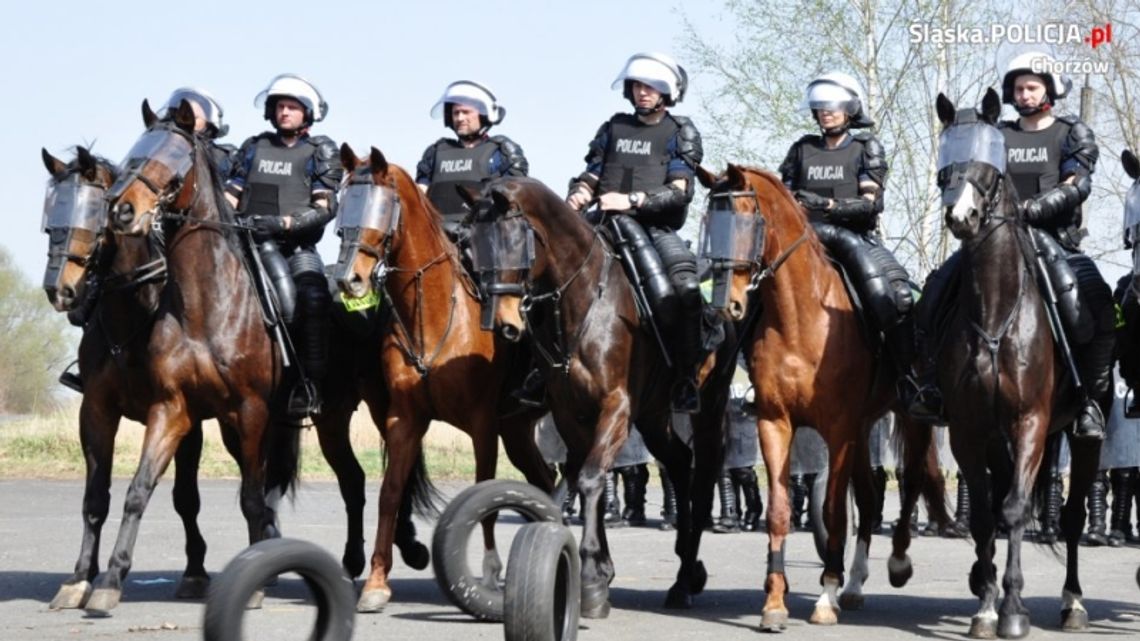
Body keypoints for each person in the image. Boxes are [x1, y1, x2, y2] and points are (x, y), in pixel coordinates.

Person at [779, 72, 936, 421]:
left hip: (855, 238)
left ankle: (909, 380)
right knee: (758, 290)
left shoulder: (865, 148)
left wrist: (829, 206)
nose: (825, 113)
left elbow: (871, 204)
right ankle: (755, 381)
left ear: (850, 108)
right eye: (819, 106)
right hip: (804, 242)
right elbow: (783, 197)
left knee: (897, 297)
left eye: (832, 106)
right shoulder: (801, 149)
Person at [58, 86, 238, 392]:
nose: (181, 115)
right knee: (114, 266)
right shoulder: (154, 150)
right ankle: (94, 357)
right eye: (179, 109)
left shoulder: (227, 155)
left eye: (192, 113)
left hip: (202, 242)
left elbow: (229, 200)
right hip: (155, 232)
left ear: (210, 123)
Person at [565, 52, 704, 412]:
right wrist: (579, 195)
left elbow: (680, 190)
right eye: (638, 86)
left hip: (654, 228)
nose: (643, 93)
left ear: (667, 92)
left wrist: (633, 200)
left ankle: (686, 378)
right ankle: (540, 372)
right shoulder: (614, 127)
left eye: (652, 87)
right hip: (602, 223)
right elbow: (594, 174)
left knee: (686, 288)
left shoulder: (680, 131)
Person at [225, 74, 342, 422]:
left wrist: (284, 224)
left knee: (315, 299)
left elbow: (325, 208)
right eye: (280, 106)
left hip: (295, 247)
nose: (285, 112)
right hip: (244, 244)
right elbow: (231, 196)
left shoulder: (320, 151)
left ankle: (307, 385)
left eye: (292, 107)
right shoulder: (253, 147)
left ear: (307, 114)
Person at [415, 80, 529, 238]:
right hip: (437, 240)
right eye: (456, 113)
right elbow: (419, 194)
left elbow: (514, 200)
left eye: (466, 112)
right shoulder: (435, 152)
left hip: (486, 241)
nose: (460, 118)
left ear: (483, 115)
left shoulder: (501, 151)